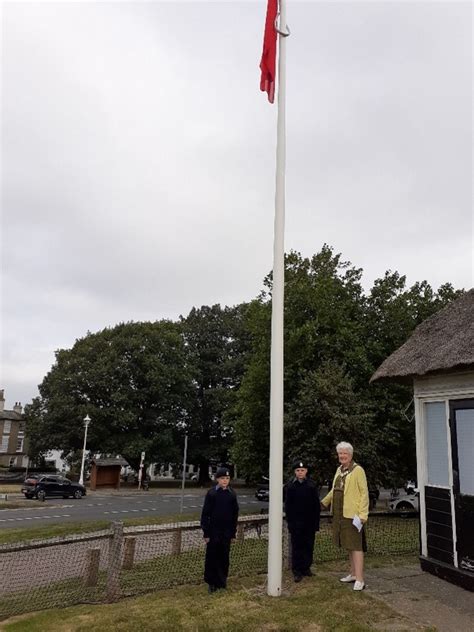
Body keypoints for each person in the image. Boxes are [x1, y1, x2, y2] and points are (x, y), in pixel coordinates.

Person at [321, 442, 369, 591]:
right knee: (348, 545)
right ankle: (353, 574)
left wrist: (362, 515)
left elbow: (364, 493)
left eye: (345, 453)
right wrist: (324, 503)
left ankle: (360, 579)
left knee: (356, 546)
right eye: (340, 453)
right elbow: (335, 490)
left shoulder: (358, 470)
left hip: (352, 516)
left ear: (351, 455)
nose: (342, 456)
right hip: (339, 514)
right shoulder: (339, 470)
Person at [200, 466, 239, 594]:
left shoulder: (232, 494)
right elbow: (205, 514)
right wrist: (206, 532)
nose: (225, 481)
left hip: (226, 532)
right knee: (212, 557)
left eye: (227, 478)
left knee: (224, 557)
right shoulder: (212, 494)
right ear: (217, 479)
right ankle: (211, 583)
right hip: (213, 532)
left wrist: (233, 533)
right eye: (222, 478)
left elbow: (234, 515)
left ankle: (222, 581)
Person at [284, 459, 320, 582]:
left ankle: (306, 568)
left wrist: (316, 523)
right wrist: (290, 522)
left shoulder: (311, 485)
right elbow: (288, 506)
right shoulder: (290, 486)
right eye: (298, 470)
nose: (300, 472)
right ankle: (297, 570)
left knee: (308, 545)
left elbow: (316, 506)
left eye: (302, 470)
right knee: (297, 546)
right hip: (296, 523)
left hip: (309, 522)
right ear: (295, 472)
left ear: (306, 471)